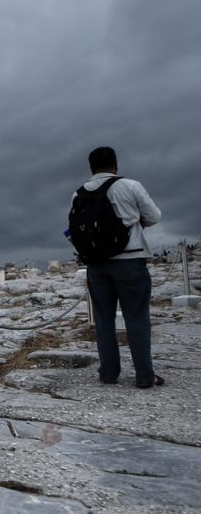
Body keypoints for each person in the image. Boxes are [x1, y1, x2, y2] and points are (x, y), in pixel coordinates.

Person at [74, 146, 163, 388]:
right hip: (130, 259)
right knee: (136, 317)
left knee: (103, 319)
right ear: (115, 165)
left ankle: (108, 373)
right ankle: (144, 375)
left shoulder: (79, 193)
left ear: (91, 168)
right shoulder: (131, 186)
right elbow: (153, 217)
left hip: (96, 265)